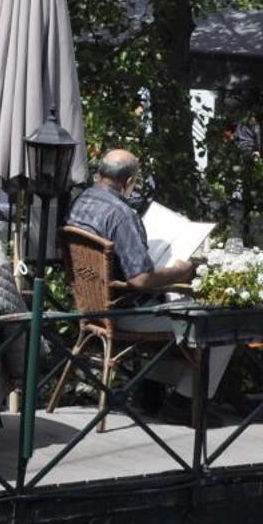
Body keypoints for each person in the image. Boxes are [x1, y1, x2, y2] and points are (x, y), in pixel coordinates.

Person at [65, 149, 226, 426]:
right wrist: (181, 270)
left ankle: (149, 391)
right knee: (220, 322)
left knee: (183, 315)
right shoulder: (121, 214)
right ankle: (183, 404)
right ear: (128, 181)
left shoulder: (82, 201)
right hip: (125, 311)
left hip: (92, 304)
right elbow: (139, 279)